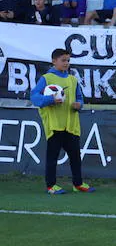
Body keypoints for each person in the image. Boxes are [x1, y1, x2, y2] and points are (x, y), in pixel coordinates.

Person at [30, 49, 93, 195]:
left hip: (71, 125)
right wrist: (51, 99)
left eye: (68, 61)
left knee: (75, 157)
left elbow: (80, 98)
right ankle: (51, 185)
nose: (66, 63)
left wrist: (79, 104)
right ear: (54, 61)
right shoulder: (47, 78)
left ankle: (77, 184)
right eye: (63, 60)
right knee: (52, 157)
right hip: (54, 125)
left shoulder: (73, 80)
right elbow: (34, 97)